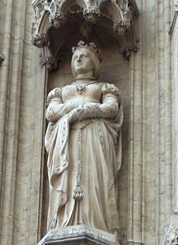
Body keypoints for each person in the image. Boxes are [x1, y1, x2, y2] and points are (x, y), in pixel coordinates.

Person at [45, 41, 122, 235]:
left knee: (94, 180)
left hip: (93, 138)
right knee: (68, 179)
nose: (78, 58)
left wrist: (84, 110)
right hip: (67, 137)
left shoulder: (104, 88)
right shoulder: (61, 92)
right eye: (75, 56)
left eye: (85, 55)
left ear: (95, 62)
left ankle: (97, 223)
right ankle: (64, 223)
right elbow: (51, 113)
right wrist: (73, 108)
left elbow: (111, 109)